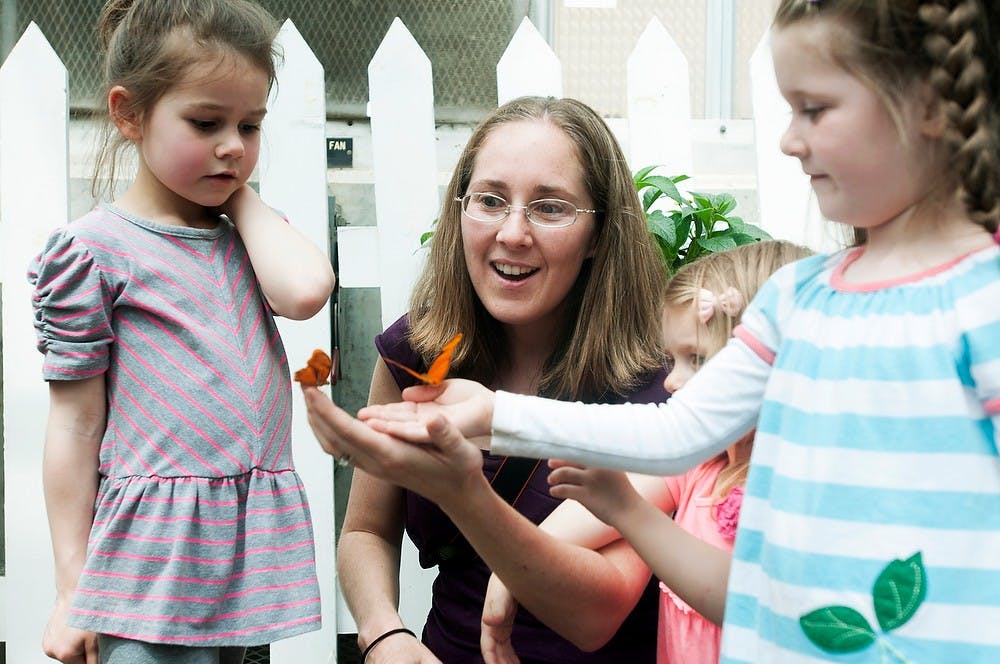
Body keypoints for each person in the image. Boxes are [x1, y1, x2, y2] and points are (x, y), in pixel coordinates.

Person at [359, 1, 1000, 661]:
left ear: (929, 105)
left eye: (814, 109)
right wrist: (496, 413)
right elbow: (676, 433)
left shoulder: (983, 304)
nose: (788, 140)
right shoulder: (796, 298)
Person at [308, 95, 670, 663]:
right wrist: (383, 633)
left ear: (599, 233)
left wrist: (465, 492)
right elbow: (365, 533)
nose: (513, 232)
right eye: (490, 201)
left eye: (550, 208)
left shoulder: (656, 388)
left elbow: (594, 617)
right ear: (460, 211)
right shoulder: (417, 354)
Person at [29, 1, 336, 662]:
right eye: (206, 122)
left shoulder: (248, 238)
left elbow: (307, 290)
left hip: (240, 564)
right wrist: (71, 589)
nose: (233, 145)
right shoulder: (93, 253)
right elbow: (75, 427)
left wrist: (240, 196)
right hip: (149, 567)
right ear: (129, 115)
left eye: (250, 125)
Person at [477, 240, 812, 664]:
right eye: (674, 359)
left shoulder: (803, 487)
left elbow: (753, 603)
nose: (671, 382)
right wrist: (506, 580)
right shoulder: (702, 465)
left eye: (698, 359)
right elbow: (573, 526)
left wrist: (626, 508)